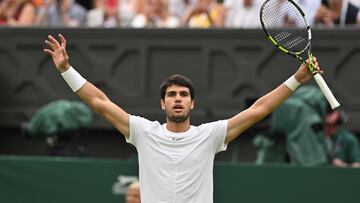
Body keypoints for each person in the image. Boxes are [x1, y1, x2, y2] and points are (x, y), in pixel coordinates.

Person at [44, 34, 321, 203]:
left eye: (184, 94)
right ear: (163, 103)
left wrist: (297, 78)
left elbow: (258, 110)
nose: (178, 98)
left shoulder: (210, 135)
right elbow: (99, 102)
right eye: (172, 94)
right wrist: (67, 69)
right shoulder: (143, 131)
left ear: (192, 103)